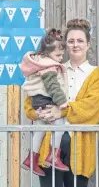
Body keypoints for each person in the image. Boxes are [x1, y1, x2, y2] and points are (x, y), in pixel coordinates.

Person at [24, 19, 99, 187]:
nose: (75, 45)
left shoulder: (95, 75)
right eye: (71, 41)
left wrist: (63, 109)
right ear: (65, 44)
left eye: (80, 40)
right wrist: (39, 113)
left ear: (88, 44)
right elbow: (30, 102)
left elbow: (95, 108)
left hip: (79, 140)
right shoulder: (50, 67)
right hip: (50, 139)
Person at [20, 28, 69, 176]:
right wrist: (62, 103)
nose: (61, 58)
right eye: (58, 55)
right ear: (48, 53)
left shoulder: (39, 63)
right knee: (59, 125)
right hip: (46, 100)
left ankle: (31, 159)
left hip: (37, 101)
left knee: (40, 129)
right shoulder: (48, 67)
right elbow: (53, 86)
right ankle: (53, 156)